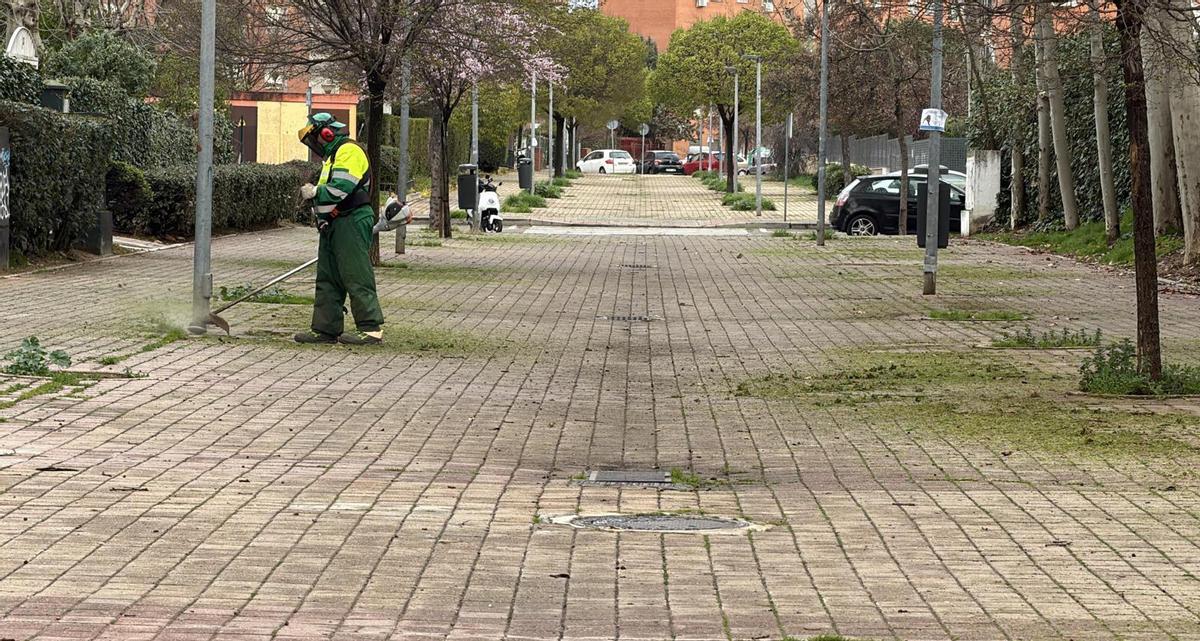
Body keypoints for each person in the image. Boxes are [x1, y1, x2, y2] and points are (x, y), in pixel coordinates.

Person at [294, 112, 384, 346]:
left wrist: (316, 193)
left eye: (316, 138)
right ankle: (325, 328)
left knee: (356, 273)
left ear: (326, 133)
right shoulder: (333, 157)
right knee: (328, 276)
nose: (315, 144)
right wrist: (322, 215)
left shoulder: (349, 151)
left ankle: (370, 328)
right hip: (335, 222)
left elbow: (342, 187)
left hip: (352, 220)